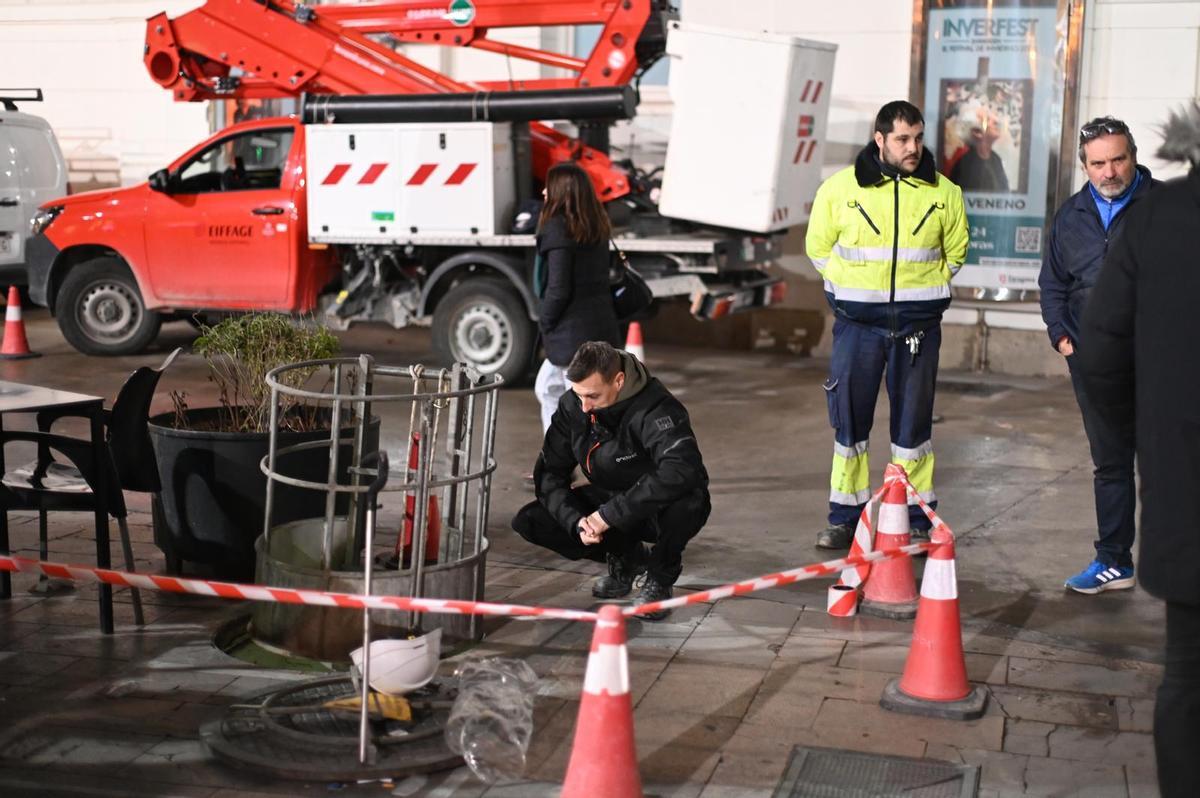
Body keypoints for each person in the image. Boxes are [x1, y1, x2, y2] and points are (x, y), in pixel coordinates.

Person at [1077, 103, 1200, 798]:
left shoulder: (1156, 218)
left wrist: (1146, 435)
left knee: (1188, 676)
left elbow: (1101, 353)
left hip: (1187, 486)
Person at [805, 100, 969, 549]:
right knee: (850, 426)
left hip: (918, 331)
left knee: (913, 429)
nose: (913, 147)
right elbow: (818, 249)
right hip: (857, 328)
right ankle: (845, 517)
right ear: (880, 140)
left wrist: (923, 291)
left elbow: (955, 254)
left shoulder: (944, 194)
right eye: (902, 139)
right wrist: (848, 293)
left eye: (918, 137)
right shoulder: (839, 190)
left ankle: (916, 515)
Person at [1038, 116, 1156, 594]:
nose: (1110, 173)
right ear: (1085, 165)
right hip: (1096, 364)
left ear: (1134, 155)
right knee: (1110, 464)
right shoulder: (1071, 216)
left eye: (1118, 160)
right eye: (1098, 164)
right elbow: (1053, 286)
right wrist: (1065, 342)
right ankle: (1114, 561)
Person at [511, 341, 710, 620]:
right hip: (612, 498)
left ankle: (660, 576)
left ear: (618, 381)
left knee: (687, 501)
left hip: (656, 506)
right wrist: (576, 521)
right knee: (531, 520)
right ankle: (629, 559)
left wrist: (608, 515)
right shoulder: (574, 406)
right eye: (578, 395)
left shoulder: (656, 408)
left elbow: (681, 469)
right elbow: (550, 475)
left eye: (592, 395)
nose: (584, 406)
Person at [532, 162, 621, 434]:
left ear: (562, 191)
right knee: (548, 388)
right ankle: (556, 458)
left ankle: (579, 463)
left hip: (571, 334)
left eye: (550, 185)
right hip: (596, 325)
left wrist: (545, 321)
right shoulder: (595, 224)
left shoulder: (559, 229)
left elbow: (558, 288)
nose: (545, 191)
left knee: (580, 404)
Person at [949, 102, 1010, 192]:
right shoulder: (966, 165)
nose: (996, 121)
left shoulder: (996, 159)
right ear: (976, 132)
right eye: (988, 120)